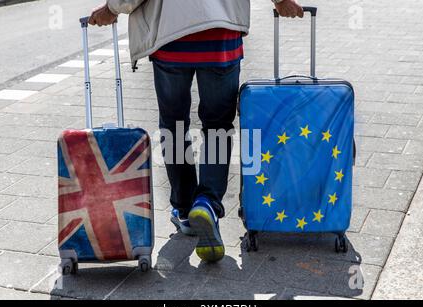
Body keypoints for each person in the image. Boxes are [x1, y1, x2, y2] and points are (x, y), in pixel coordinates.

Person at [89, 0, 304, 263]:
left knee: (174, 126)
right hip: (220, 37)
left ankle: (184, 209)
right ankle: (207, 204)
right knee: (218, 126)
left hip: (170, 38)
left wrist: (112, 9)